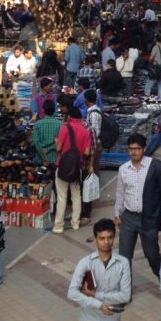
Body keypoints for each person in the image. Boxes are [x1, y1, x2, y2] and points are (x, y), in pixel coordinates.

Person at [115, 133, 161, 277]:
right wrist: (117, 214)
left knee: (152, 255)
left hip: (149, 218)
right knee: (124, 256)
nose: (133, 152)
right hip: (128, 217)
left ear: (144, 149)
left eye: (137, 149)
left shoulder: (155, 166)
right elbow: (120, 193)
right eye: (130, 149)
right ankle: (125, 290)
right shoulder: (123, 169)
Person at [54, 95, 94, 233]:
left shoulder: (64, 128)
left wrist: (57, 143)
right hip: (78, 168)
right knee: (77, 196)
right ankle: (75, 223)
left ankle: (59, 226)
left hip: (63, 166)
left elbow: (58, 148)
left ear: (70, 116)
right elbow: (87, 151)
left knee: (62, 196)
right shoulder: (85, 131)